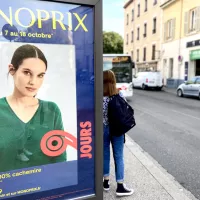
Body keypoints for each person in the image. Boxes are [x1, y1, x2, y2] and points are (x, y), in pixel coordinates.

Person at [0, 44, 66, 173]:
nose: (33, 82)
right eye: (27, 73)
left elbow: (60, 160)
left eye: (40, 75)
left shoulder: (51, 110)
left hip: (45, 189)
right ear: (12, 70)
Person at [103, 70, 134, 197]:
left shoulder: (98, 95)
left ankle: (105, 183)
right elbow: (126, 111)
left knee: (104, 155)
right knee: (119, 156)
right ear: (113, 80)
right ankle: (120, 186)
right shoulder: (119, 94)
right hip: (117, 130)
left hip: (103, 129)